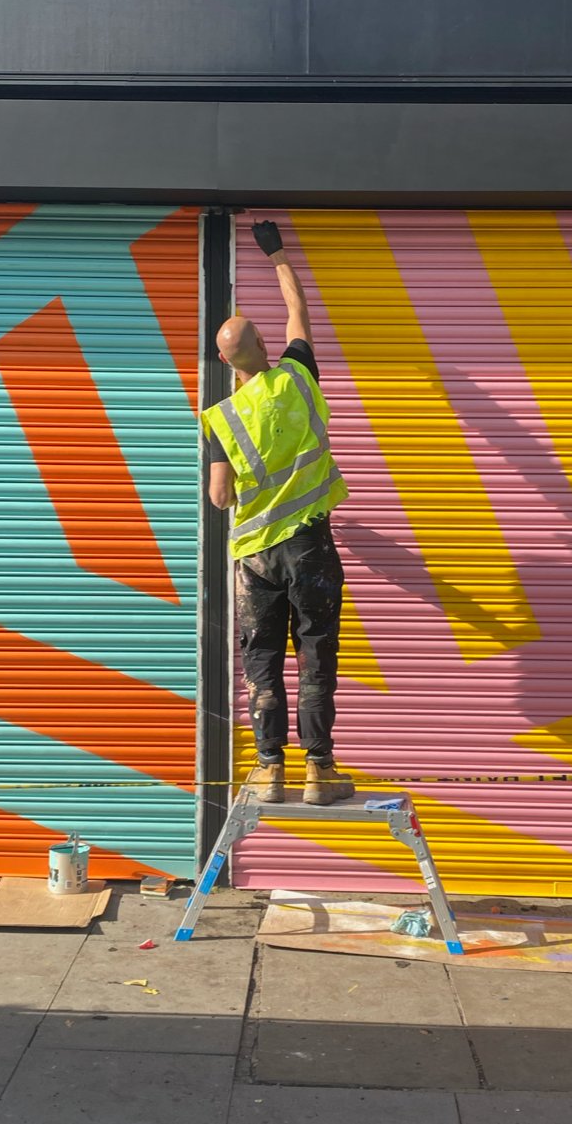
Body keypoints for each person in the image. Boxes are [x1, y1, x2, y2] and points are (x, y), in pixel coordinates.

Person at [200, 220, 355, 805]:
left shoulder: (223, 419)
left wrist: (248, 487)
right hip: (310, 546)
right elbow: (299, 309)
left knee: (261, 658)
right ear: (267, 346)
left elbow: (220, 497)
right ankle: (320, 771)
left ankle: (269, 771)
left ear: (223, 360)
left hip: (256, 557)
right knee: (316, 655)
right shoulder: (297, 376)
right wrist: (277, 254)